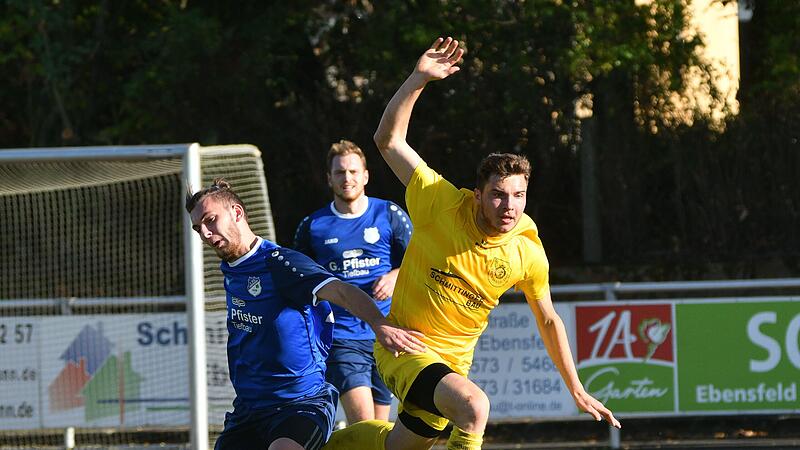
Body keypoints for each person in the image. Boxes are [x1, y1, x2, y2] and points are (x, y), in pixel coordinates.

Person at [324, 37, 620, 450]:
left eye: (518, 196)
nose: (509, 206)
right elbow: (388, 141)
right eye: (498, 194)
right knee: (475, 407)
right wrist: (418, 79)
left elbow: (549, 319)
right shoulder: (440, 201)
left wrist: (576, 387)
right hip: (403, 349)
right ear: (477, 194)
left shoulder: (527, 249)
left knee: (399, 447)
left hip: (453, 366)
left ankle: (324, 446)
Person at [185, 179, 425, 450]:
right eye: (198, 228)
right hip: (248, 410)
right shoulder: (231, 267)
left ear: (237, 213)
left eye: (210, 220)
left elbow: (342, 291)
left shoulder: (280, 263)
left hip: (300, 405)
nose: (204, 233)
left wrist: (380, 324)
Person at [294, 140, 413, 424]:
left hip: (387, 331)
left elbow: (420, 261)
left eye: (353, 172)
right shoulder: (313, 226)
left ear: (365, 176)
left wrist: (396, 276)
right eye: (340, 173)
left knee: (381, 429)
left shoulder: (389, 214)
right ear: (329, 179)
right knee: (364, 422)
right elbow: (299, 281)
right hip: (343, 336)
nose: (347, 178)